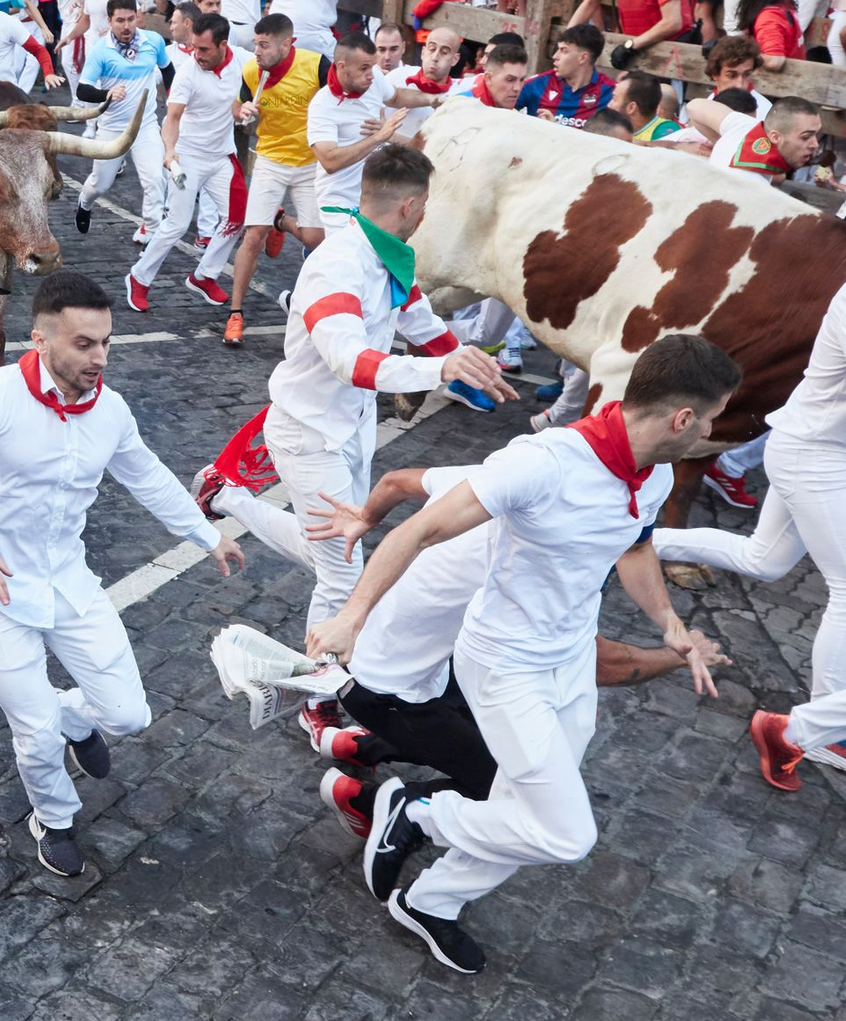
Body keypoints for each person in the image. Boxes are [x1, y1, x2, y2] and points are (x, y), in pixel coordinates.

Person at [306, 334, 737, 972]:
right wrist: (351, 615)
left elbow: (635, 547)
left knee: (527, 809)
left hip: (567, 665)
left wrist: (671, 625)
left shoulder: (656, 474)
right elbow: (421, 527)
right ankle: (417, 811)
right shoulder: (544, 462)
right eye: (713, 417)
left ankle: (431, 902)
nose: (714, 430)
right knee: (567, 834)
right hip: (506, 667)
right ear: (683, 419)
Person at [0, 270, 244, 876]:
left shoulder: (111, 410)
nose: (100, 357)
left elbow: (149, 476)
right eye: (84, 344)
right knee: (32, 732)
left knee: (129, 715)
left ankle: (75, 718)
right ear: (41, 340)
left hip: (72, 583)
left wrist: (206, 534)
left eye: (105, 342)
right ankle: (52, 819)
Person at [194, 145, 514, 750]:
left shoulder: (390, 253)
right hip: (309, 431)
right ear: (413, 205)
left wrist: (464, 362)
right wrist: (441, 372)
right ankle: (319, 698)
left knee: (337, 553)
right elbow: (350, 362)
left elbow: (417, 318)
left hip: (350, 428)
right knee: (342, 575)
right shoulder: (334, 266)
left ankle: (225, 494)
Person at [308, 463, 728, 836]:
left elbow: (395, 481)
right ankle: (370, 806)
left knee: (487, 712)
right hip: (385, 692)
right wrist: (679, 656)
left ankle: (356, 747)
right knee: (507, 789)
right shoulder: (531, 569)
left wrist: (365, 516)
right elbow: (602, 665)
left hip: (386, 664)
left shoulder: (489, 481)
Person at [659, 282, 846, 776]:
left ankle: (633, 538)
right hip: (816, 457)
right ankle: (821, 733)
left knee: (764, 560)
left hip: (816, 450)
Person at [125, 13, 249, 312]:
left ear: (223, 45)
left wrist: (241, 110)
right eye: (194, 47)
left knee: (238, 218)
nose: (197, 55)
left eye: (204, 49)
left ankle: (204, 275)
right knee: (176, 225)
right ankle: (138, 278)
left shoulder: (243, 61)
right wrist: (169, 151)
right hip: (188, 157)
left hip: (221, 157)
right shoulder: (187, 74)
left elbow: (239, 93)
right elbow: (173, 118)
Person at [223, 12, 330, 346]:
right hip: (270, 158)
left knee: (316, 240)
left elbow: (339, 100)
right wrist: (241, 112)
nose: (257, 51)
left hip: (311, 162)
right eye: (256, 43)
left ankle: (281, 222)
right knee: (252, 237)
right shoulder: (253, 72)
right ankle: (235, 313)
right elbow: (237, 104)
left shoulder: (317, 66)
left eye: (264, 45)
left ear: (288, 44)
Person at [306, 30, 448, 236]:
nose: (371, 74)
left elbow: (397, 96)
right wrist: (379, 137)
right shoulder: (322, 105)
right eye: (364, 68)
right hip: (339, 200)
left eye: (372, 66)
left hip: (377, 197)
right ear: (341, 67)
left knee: (377, 261)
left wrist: (431, 99)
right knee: (350, 258)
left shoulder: (373, 80)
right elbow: (329, 162)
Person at [74, 0, 174, 245]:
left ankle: (151, 233)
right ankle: (84, 203)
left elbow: (168, 69)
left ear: (137, 17)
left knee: (154, 178)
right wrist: (106, 93)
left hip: (145, 125)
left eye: (131, 19)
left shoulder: (153, 41)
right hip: (112, 128)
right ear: (110, 20)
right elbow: (82, 89)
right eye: (120, 20)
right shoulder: (100, 51)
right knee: (100, 184)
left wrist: (173, 102)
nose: (126, 26)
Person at [687, 94, 820, 180]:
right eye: (805, 137)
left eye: (816, 134)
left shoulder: (746, 126)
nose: (815, 144)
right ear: (775, 137)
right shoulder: (751, 183)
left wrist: (723, 142)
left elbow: (694, 106)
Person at [515, 23, 612, 126]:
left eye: (563, 50)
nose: (555, 56)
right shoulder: (537, 84)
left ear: (583, 58)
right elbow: (503, 112)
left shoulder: (611, 92)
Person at [704, 34, 771, 120]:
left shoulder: (764, 111)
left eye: (746, 74)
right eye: (732, 75)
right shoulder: (707, 105)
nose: (740, 84)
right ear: (715, 74)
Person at [609, 71, 680, 143]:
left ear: (631, 108)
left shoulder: (666, 130)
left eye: (614, 99)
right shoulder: (613, 127)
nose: (609, 105)